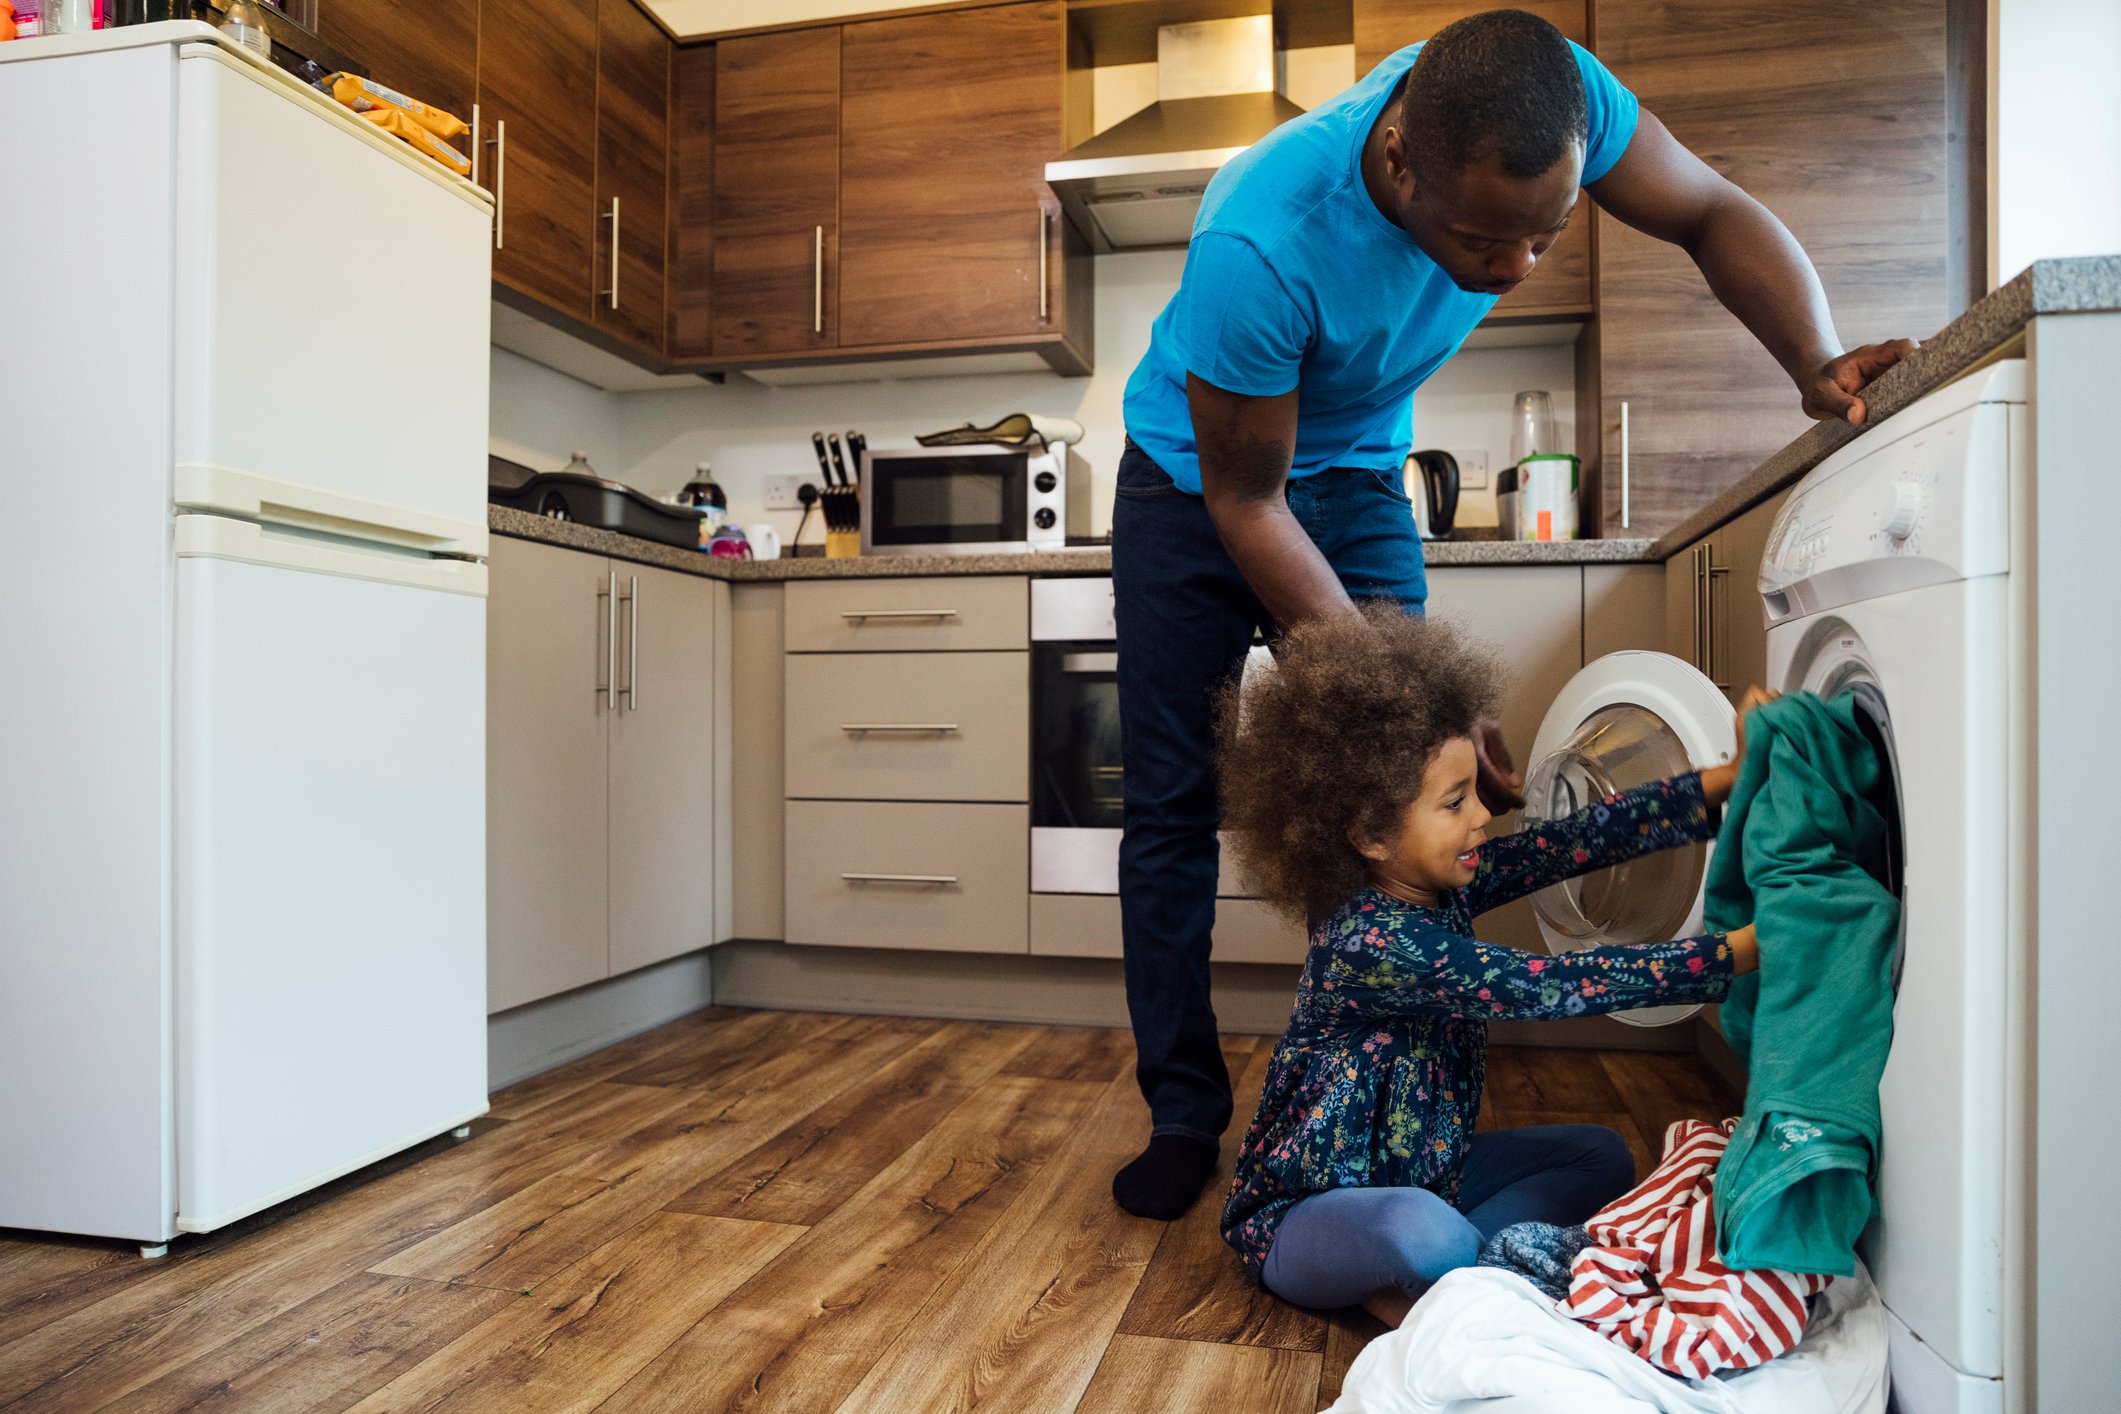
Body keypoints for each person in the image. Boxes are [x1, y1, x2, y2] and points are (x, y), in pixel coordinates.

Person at [1109, 7, 1911, 1221]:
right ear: (1398, 166)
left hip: (1359, 475)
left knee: (1416, 803)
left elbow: (1708, 210)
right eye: (1483, 238)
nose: (1513, 268)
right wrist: (1416, 701)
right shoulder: (1261, 242)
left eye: (1546, 233)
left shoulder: (1557, 98)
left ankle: (1375, 1102)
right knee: (1176, 803)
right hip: (1200, 484)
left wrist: (1817, 359)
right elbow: (1248, 497)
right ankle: (1184, 1112)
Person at [1214, 608, 1765, 1324]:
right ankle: (1465, 1279)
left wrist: (1721, 782)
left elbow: (1569, 843)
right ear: (1370, 835)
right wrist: (1742, 952)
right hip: (1301, 1216)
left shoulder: (1437, 883)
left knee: (1598, 1156)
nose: (1481, 816)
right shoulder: (1368, 941)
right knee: (1414, 1230)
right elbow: (1544, 988)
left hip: (1431, 1174)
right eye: (1453, 803)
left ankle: (1453, 1285)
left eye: (1472, 790)